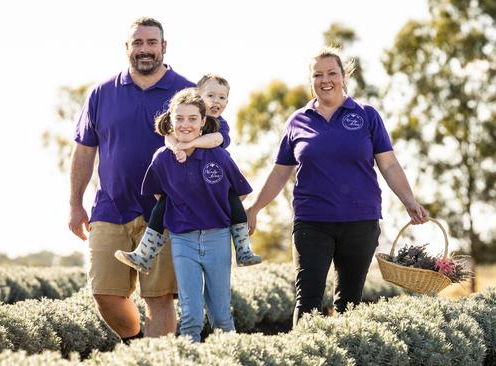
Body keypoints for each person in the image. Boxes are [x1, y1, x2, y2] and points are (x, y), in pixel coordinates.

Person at [68, 17, 230, 343]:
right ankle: (138, 342)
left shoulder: (187, 93)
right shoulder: (101, 94)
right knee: (104, 293)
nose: (145, 49)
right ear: (127, 48)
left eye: (151, 43)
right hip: (110, 208)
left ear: (163, 47)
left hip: (168, 212)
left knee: (159, 298)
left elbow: (219, 141)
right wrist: (75, 204)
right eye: (138, 43)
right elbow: (84, 151)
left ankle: (157, 360)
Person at [245, 46, 429, 326]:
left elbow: (389, 164)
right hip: (312, 222)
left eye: (332, 73)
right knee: (308, 301)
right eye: (317, 74)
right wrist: (255, 207)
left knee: (350, 303)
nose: (325, 79)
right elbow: (280, 172)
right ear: (311, 81)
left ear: (344, 76)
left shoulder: (367, 115)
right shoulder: (298, 121)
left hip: (361, 221)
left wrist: (409, 201)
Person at [114, 74, 261, 273]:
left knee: (233, 198)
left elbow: (216, 140)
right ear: (198, 97)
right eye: (210, 96)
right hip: (183, 179)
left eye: (222, 97)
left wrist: (189, 144)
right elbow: (168, 136)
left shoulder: (221, 124)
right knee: (163, 203)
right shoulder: (185, 118)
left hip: (212, 182)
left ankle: (243, 249)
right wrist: (177, 148)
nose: (216, 101)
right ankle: (144, 254)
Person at [140, 88, 252, 343]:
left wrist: (211, 208)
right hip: (183, 240)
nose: (185, 124)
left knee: (222, 315)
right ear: (171, 121)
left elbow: (239, 194)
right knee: (190, 317)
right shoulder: (162, 158)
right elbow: (159, 196)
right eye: (179, 118)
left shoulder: (219, 156)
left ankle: (228, 357)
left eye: (192, 118)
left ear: (203, 122)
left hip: (218, 239)